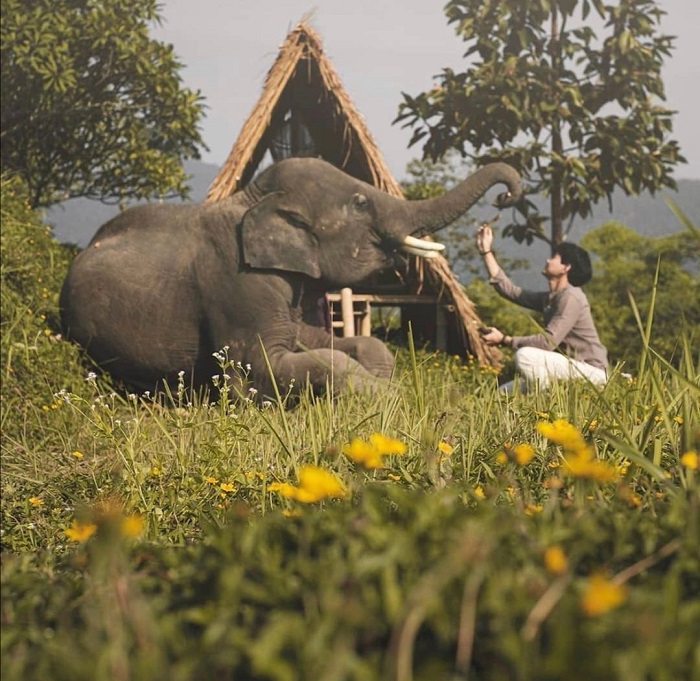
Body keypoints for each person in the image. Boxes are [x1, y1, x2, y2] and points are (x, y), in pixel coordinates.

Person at [475, 223, 608, 393]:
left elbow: (547, 342)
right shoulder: (551, 298)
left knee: (524, 356)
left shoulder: (572, 297)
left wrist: (505, 339)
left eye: (554, 257)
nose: (548, 260)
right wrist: (485, 251)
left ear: (565, 267)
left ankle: (546, 399)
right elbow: (511, 291)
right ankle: (545, 396)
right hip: (570, 369)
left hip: (592, 373)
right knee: (501, 394)